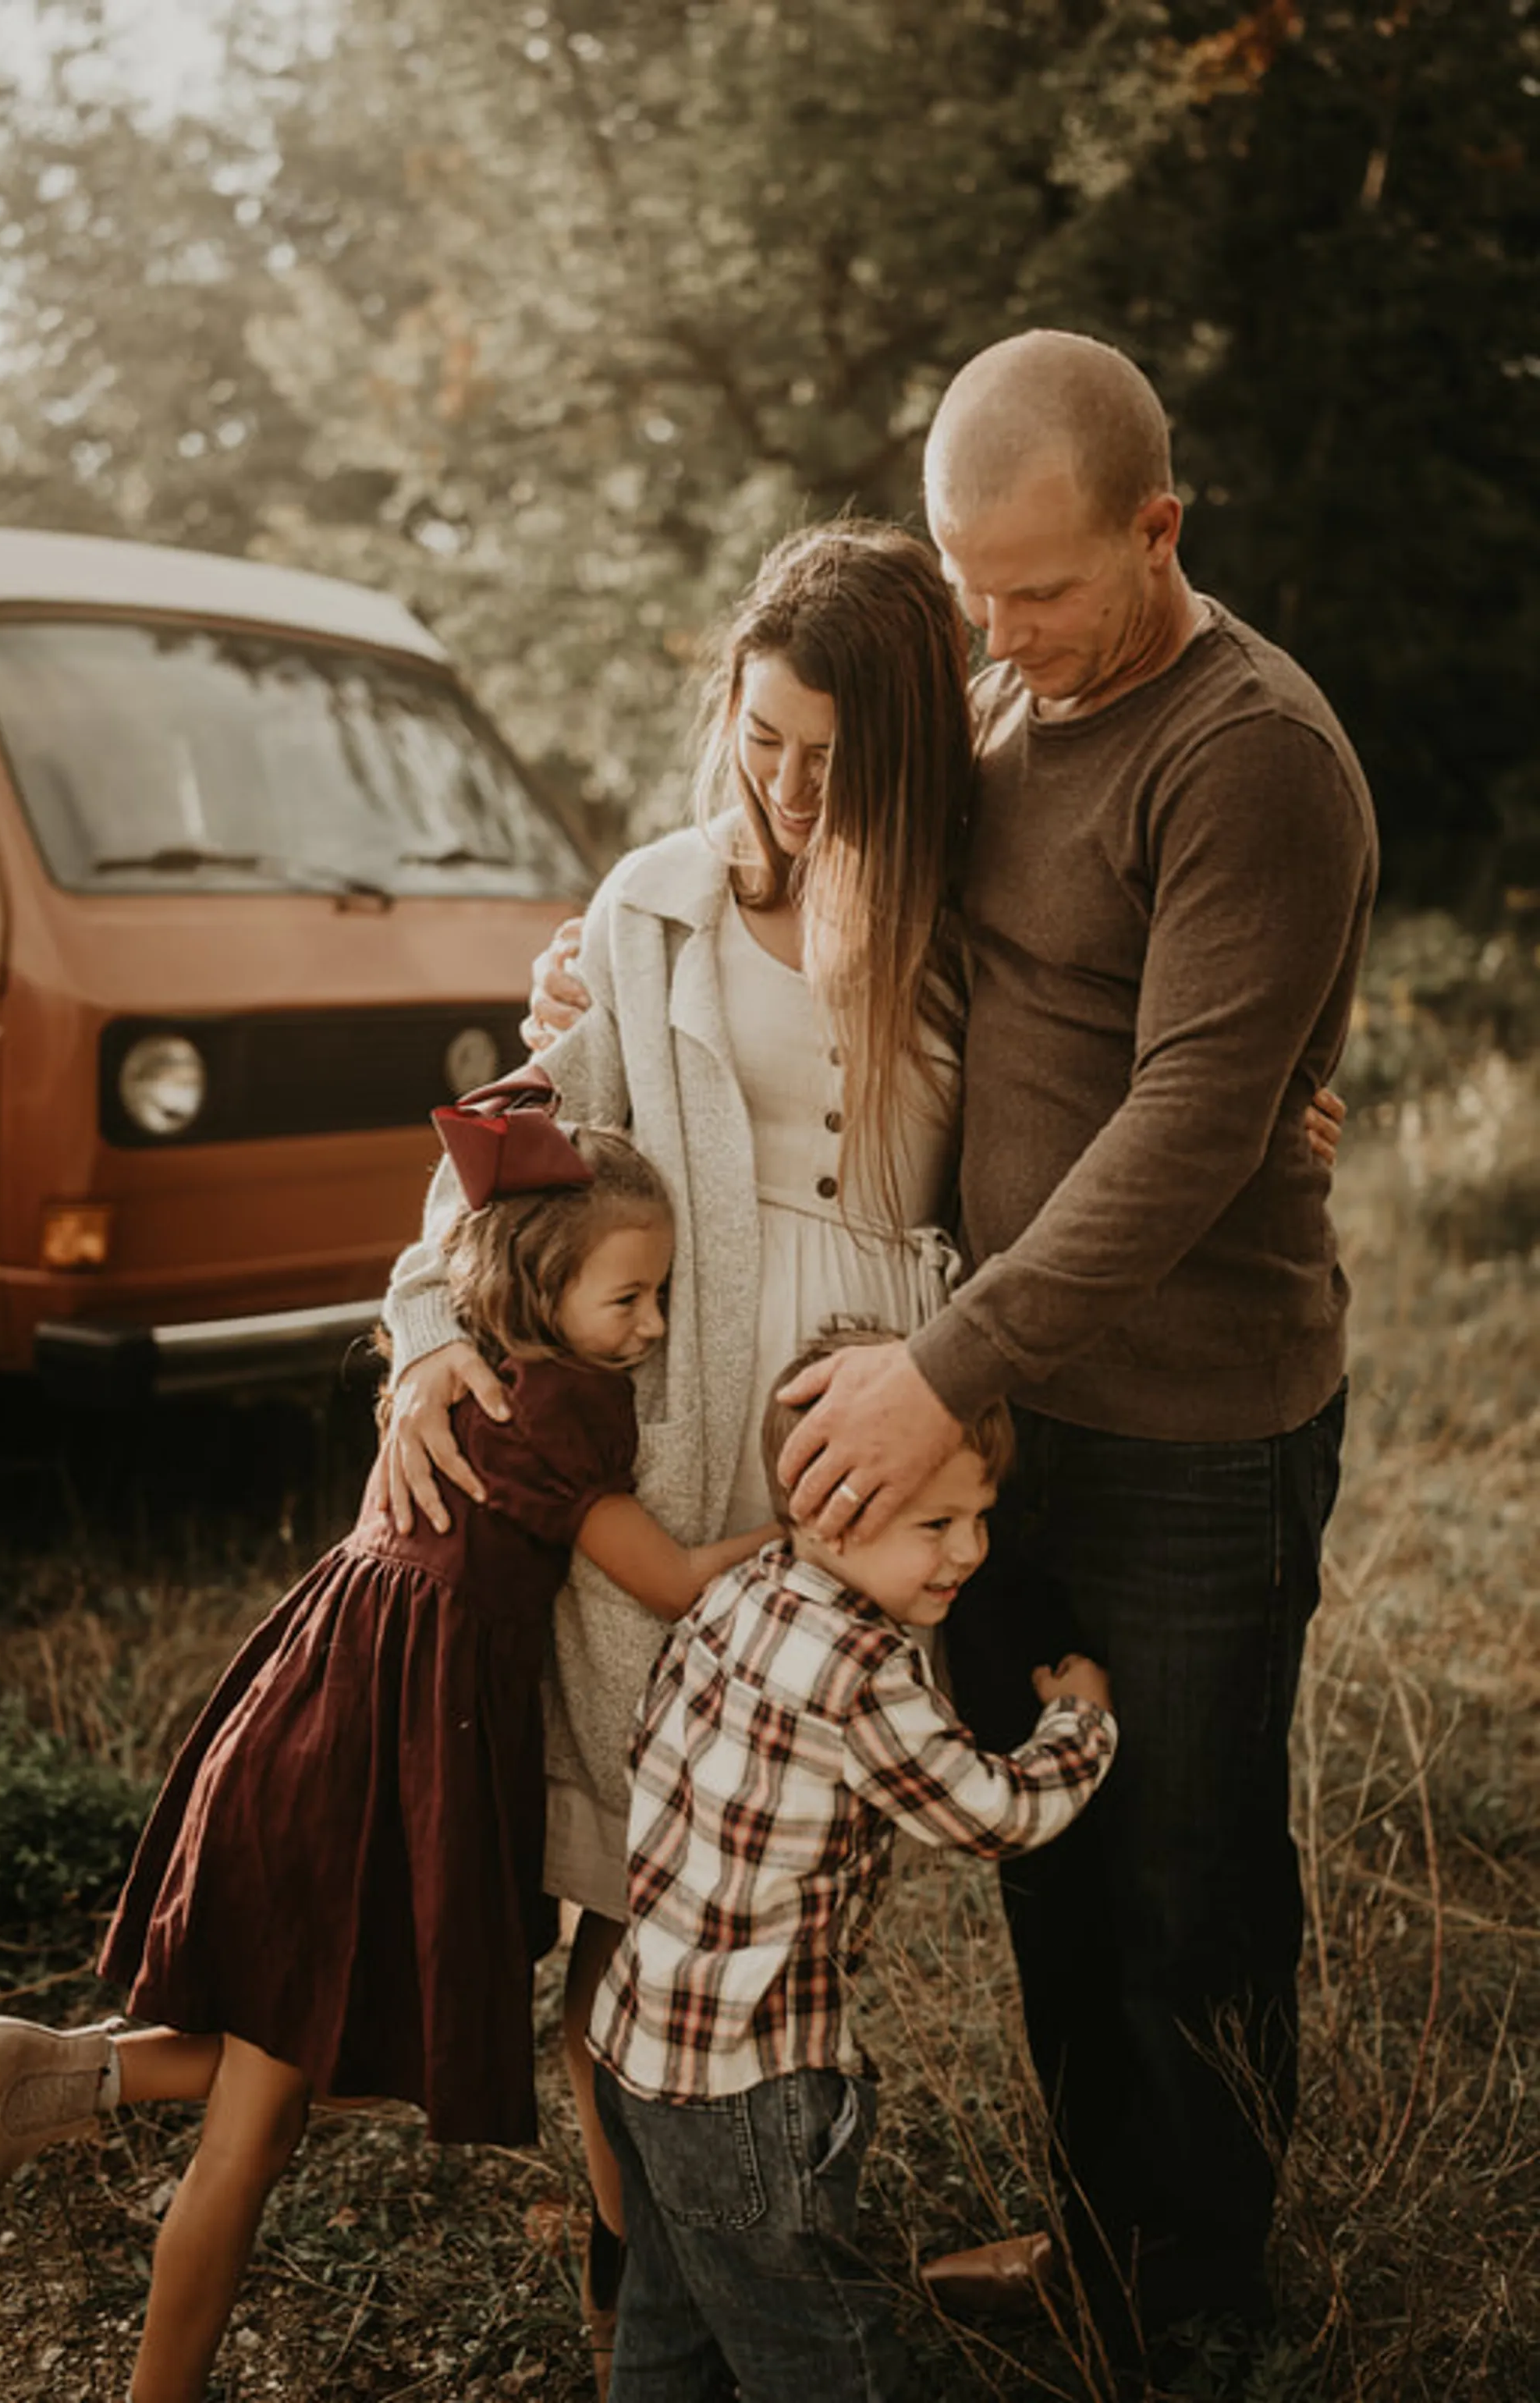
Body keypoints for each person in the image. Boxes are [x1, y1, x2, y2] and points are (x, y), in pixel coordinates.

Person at [773, 331, 1379, 2366]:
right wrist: (624, 936)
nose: (1001, 632)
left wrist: (938, 1366)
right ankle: (1101, 2254)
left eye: (1040, 587)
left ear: (1160, 530)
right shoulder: (993, 708)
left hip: (1200, 1440)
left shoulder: (1252, 756)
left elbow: (1189, 1133)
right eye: (971, 586)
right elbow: (802, 867)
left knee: (1191, 1898)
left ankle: (1210, 2321)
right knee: (1056, 1857)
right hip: (1021, 1430)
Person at [379, 521, 981, 2384]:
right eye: (762, 739)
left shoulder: (981, 906)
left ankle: (738, 2259)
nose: (790, 790)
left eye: (831, 753)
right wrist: (420, 1332)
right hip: (676, 1435)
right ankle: (652, 2291)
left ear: (908, 745)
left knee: (777, 1893)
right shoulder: (650, 908)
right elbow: (520, 1154)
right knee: (631, 1879)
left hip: (867, 1462)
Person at [0, 1088, 772, 2403]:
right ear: (544, 1285)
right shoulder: (566, 1415)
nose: (656, 1326)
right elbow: (667, 1579)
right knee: (263, 2121)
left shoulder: (468, 1373)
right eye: (631, 1302)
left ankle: (36, 2073)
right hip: (378, 1757)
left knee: (336, 2051)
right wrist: (802, 1543)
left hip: (317, 1711)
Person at [589, 1326, 1117, 2401]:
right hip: (750, 2082)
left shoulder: (736, 1598)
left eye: (979, 1518)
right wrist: (1080, 1723)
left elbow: (649, 1753)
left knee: (671, 2324)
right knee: (821, 2349)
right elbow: (993, 1815)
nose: (969, 1551)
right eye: (937, 1523)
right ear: (828, 1504)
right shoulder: (864, 1668)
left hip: (638, 2052)